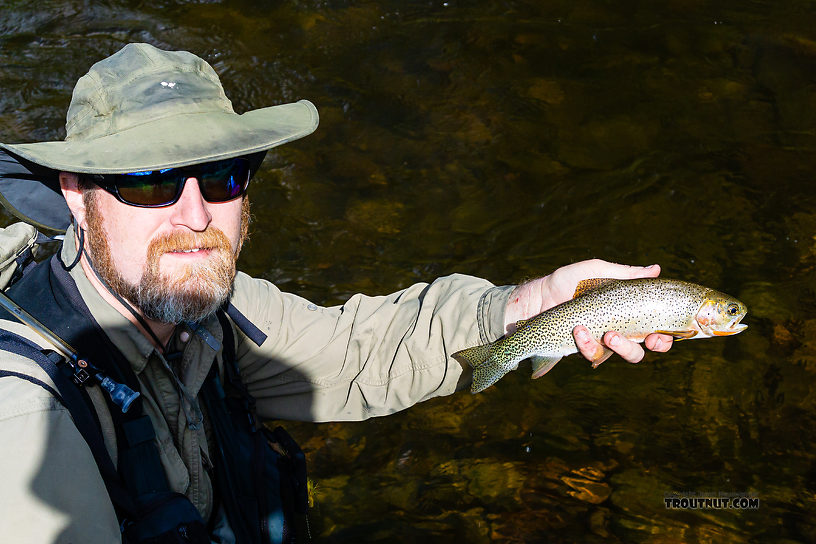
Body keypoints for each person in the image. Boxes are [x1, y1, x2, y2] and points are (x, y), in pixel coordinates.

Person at [0, 43, 673, 543]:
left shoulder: (202, 311)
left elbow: (355, 352)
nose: (196, 215)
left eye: (222, 176)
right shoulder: (29, 424)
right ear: (76, 196)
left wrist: (525, 309)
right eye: (148, 182)